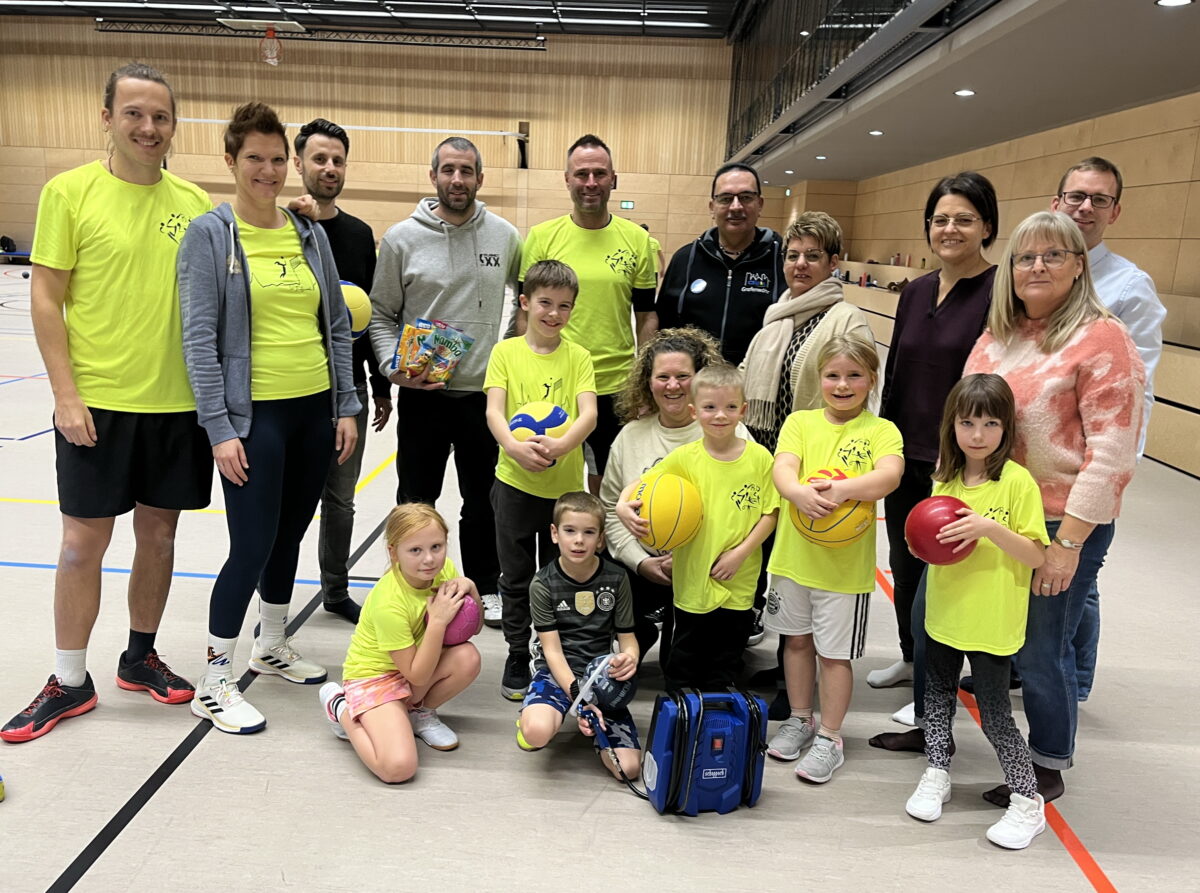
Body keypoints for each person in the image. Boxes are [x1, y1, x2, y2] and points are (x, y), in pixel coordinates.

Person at [3, 63, 210, 743]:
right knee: (79, 545)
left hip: (176, 406)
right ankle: (68, 679)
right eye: (135, 115)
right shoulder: (70, 193)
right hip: (95, 405)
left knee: (159, 536)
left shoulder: (197, 204)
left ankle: (139, 654)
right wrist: (64, 392)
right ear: (107, 118)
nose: (149, 128)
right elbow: (45, 295)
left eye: (160, 117)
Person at [178, 102, 360, 734]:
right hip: (254, 419)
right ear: (231, 161)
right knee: (250, 545)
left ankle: (272, 643)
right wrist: (220, 429)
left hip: (313, 411)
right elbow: (198, 340)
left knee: (289, 537)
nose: (268, 170)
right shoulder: (210, 235)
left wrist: (344, 405)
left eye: (277, 159)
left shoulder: (307, 232)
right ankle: (214, 678)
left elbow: (336, 324)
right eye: (254, 158)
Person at [964, 210, 1144, 805]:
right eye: (1024, 257)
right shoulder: (999, 334)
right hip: (999, 511)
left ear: (1078, 266)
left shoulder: (1103, 337)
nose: (1036, 267)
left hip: (1058, 519)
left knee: (1043, 648)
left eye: (1052, 256)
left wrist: (1067, 544)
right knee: (1005, 638)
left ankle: (1047, 762)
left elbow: (1111, 452)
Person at [869, 172, 1000, 746]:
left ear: (987, 227)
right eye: (941, 218)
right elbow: (895, 372)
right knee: (905, 563)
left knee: (943, 584)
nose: (950, 229)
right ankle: (910, 659)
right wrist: (885, 447)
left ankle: (935, 700)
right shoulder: (916, 290)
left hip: (958, 464)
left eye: (964, 219)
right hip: (907, 454)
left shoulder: (1000, 293)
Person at [370, 136, 521, 630]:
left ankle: (486, 586)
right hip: (423, 399)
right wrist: (395, 367)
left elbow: (525, 301)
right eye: (449, 170)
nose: (458, 180)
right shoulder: (400, 239)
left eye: (467, 171)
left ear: (481, 178)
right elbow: (380, 313)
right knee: (416, 500)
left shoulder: (505, 237)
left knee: (483, 501)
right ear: (433, 175)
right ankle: (406, 589)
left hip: (483, 398)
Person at [903, 374, 1049, 850]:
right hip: (947, 610)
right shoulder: (944, 476)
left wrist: (989, 528)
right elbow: (933, 541)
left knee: (994, 712)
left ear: (1007, 427)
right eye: (968, 423)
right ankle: (937, 770)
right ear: (953, 425)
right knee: (938, 698)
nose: (979, 435)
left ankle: (1028, 802)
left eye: (991, 423)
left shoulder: (1017, 482)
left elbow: (1035, 555)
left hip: (993, 618)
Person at [740, 210, 872, 715]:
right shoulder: (779, 313)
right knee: (777, 569)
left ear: (833, 262)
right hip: (767, 458)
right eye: (793, 255)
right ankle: (784, 662)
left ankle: (805, 685)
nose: (800, 264)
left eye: (813, 255)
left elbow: (854, 390)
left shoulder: (845, 319)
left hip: (813, 468)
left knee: (808, 570)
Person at [1050, 157, 1165, 701]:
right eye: (1076, 196)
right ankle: (1041, 667)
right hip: (1039, 458)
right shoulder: (1039, 269)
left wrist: (1113, 476)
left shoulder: (1129, 288)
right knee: (1052, 575)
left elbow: (1134, 394)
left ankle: (1073, 683)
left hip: (1089, 462)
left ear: (1115, 211)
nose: (1084, 207)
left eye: (1098, 199)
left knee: (1079, 572)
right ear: (1057, 204)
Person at [765, 335, 903, 784]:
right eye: (833, 376)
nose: (842, 385)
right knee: (796, 643)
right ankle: (801, 717)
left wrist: (842, 489)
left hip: (843, 572)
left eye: (854, 376)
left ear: (871, 380)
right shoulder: (800, 422)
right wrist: (799, 492)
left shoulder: (881, 431)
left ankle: (830, 736)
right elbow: (782, 468)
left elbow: (889, 475)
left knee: (834, 656)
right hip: (793, 561)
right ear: (818, 378)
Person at [616, 364, 778, 690]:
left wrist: (740, 554)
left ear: (743, 410)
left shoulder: (760, 458)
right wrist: (622, 505)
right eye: (710, 408)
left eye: (730, 407)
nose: (720, 415)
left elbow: (770, 514)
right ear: (694, 411)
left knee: (726, 662)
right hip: (692, 579)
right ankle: (682, 730)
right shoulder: (684, 458)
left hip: (739, 580)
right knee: (683, 663)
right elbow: (639, 486)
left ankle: (716, 730)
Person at [485, 260, 598, 700]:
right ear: (526, 302)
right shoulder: (506, 352)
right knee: (515, 577)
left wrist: (562, 445)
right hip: (513, 484)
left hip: (564, 493)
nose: (554, 314)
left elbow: (588, 412)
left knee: (563, 575)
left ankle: (560, 653)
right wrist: (513, 448)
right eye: (545, 303)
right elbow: (495, 409)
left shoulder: (578, 356)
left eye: (564, 306)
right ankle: (518, 651)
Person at [295, 117, 392, 624]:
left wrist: (379, 387)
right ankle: (272, 596)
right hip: (290, 387)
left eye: (337, 160)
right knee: (286, 500)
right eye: (319, 159)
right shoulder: (282, 227)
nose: (329, 168)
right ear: (299, 164)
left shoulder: (357, 234)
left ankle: (334, 591)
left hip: (345, 390)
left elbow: (368, 315)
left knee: (340, 500)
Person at [518, 134, 657, 489]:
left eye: (599, 173)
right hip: (553, 383)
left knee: (607, 487)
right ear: (567, 179)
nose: (591, 183)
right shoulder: (542, 237)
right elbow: (525, 314)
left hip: (614, 385)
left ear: (614, 179)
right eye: (581, 174)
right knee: (547, 480)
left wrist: (643, 383)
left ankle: (599, 547)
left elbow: (646, 317)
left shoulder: (637, 240)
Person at [601, 327, 742, 668]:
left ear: (699, 380)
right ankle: (643, 626)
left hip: (708, 567)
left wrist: (694, 558)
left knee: (680, 668)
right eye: (662, 376)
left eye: (683, 376)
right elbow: (609, 510)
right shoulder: (631, 436)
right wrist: (641, 562)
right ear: (647, 382)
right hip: (646, 567)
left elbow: (745, 512)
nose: (673, 385)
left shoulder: (728, 431)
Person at [318, 503, 481, 782]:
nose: (429, 559)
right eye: (415, 550)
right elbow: (416, 673)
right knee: (398, 768)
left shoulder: (445, 570)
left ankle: (419, 712)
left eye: (436, 547)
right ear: (393, 553)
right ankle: (342, 708)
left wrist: (471, 588)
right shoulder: (388, 603)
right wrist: (438, 622)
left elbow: (472, 628)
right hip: (374, 678)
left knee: (468, 657)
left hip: (414, 666)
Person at [515, 492, 641, 781]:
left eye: (588, 532)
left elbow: (627, 637)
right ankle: (533, 715)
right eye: (570, 531)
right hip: (557, 671)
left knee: (628, 769)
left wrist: (629, 658)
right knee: (536, 733)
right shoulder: (543, 583)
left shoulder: (617, 578)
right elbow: (553, 652)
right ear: (555, 534)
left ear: (600, 538)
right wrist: (578, 696)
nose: (579, 540)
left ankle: (596, 728)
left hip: (599, 672)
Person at [656, 162, 784, 365]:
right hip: (695, 386)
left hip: (758, 386)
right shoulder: (685, 259)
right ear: (712, 207)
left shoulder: (783, 259)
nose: (736, 206)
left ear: (760, 204)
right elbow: (664, 327)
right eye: (725, 198)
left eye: (746, 197)